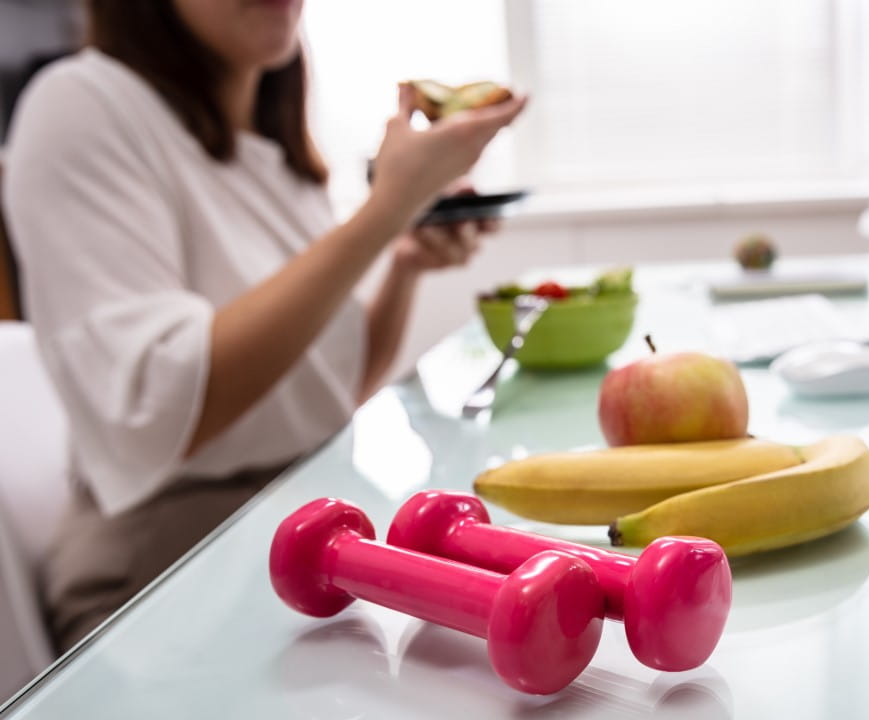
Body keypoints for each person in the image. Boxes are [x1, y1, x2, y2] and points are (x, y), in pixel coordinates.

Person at [2, 0, 526, 651]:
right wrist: (385, 211)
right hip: (167, 570)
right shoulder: (80, 105)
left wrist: (402, 265)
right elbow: (163, 406)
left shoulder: (274, 153)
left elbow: (327, 386)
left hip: (306, 525)